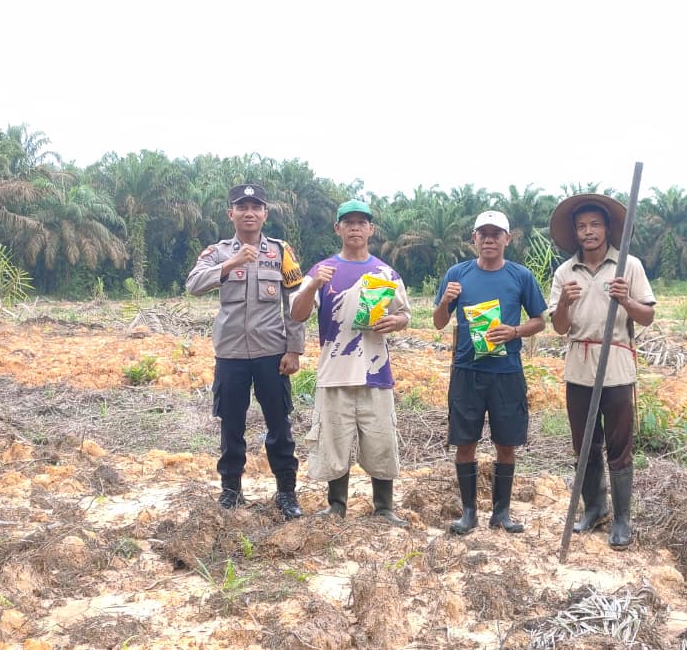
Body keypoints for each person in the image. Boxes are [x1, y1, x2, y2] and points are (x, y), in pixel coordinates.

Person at [186, 182, 306, 517]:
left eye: (256, 207)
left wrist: (294, 349)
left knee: (279, 425)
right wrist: (231, 263)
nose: (249, 213)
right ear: (231, 213)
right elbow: (193, 284)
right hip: (231, 354)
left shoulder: (281, 252)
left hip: (272, 352)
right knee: (231, 425)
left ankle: (286, 493)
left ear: (265, 213)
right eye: (242, 207)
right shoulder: (217, 252)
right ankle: (231, 492)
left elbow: (295, 303)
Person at [290, 199, 411, 525]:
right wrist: (314, 284)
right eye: (349, 222)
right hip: (334, 372)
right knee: (334, 440)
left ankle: (384, 507)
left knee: (381, 439)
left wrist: (395, 323)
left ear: (371, 229)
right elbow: (297, 314)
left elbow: (404, 315)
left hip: (375, 373)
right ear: (338, 228)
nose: (355, 227)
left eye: (362, 222)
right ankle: (336, 505)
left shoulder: (386, 272)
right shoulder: (321, 270)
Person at [548, 194, 656, 549]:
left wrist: (626, 300)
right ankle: (594, 507)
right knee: (584, 445)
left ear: (607, 228)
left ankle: (623, 519)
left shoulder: (630, 266)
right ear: (575, 233)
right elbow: (560, 328)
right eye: (582, 226)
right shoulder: (565, 272)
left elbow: (647, 316)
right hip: (579, 365)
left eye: (595, 224)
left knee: (619, 445)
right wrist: (564, 301)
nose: (588, 232)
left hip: (617, 366)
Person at [433, 210, 547, 536]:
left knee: (506, 444)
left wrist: (514, 332)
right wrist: (445, 301)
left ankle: (502, 512)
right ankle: (469, 513)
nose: (489, 239)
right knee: (464, 442)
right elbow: (439, 321)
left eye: (496, 234)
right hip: (467, 370)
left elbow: (540, 320)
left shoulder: (521, 276)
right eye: (483, 233)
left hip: (506, 371)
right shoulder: (458, 274)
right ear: (474, 239)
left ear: (507, 239)